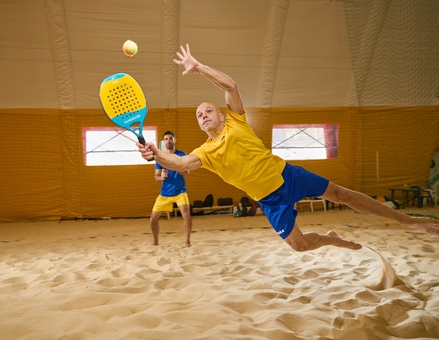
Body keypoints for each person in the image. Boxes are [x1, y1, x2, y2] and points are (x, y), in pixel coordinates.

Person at [138, 44, 439, 252]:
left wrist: (198, 66)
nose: (203, 116)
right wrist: (156, 154)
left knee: (341, 194)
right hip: (269, 201)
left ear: (219, 113)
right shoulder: (204, 152)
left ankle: (410, 221)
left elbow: (231, 86)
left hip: (288, 175)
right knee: (301, 246)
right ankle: (330, 239)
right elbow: (181, 164)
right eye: (198, 116)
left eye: (207, 111)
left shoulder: (235, 122)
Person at [150, 131, 192, 247]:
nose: (169, 141)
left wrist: (176, 166)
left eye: (171, 138)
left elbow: (187, 173)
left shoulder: (182, 154)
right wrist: (161, 177)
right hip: (165, 193)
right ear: (164, 142)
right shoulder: (160, 157)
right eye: (166, 139)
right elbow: (156, 177)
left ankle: (187, 242)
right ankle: (155, 242)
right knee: (153, 220)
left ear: (174, 140)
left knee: (186, 215)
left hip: (180, 192)